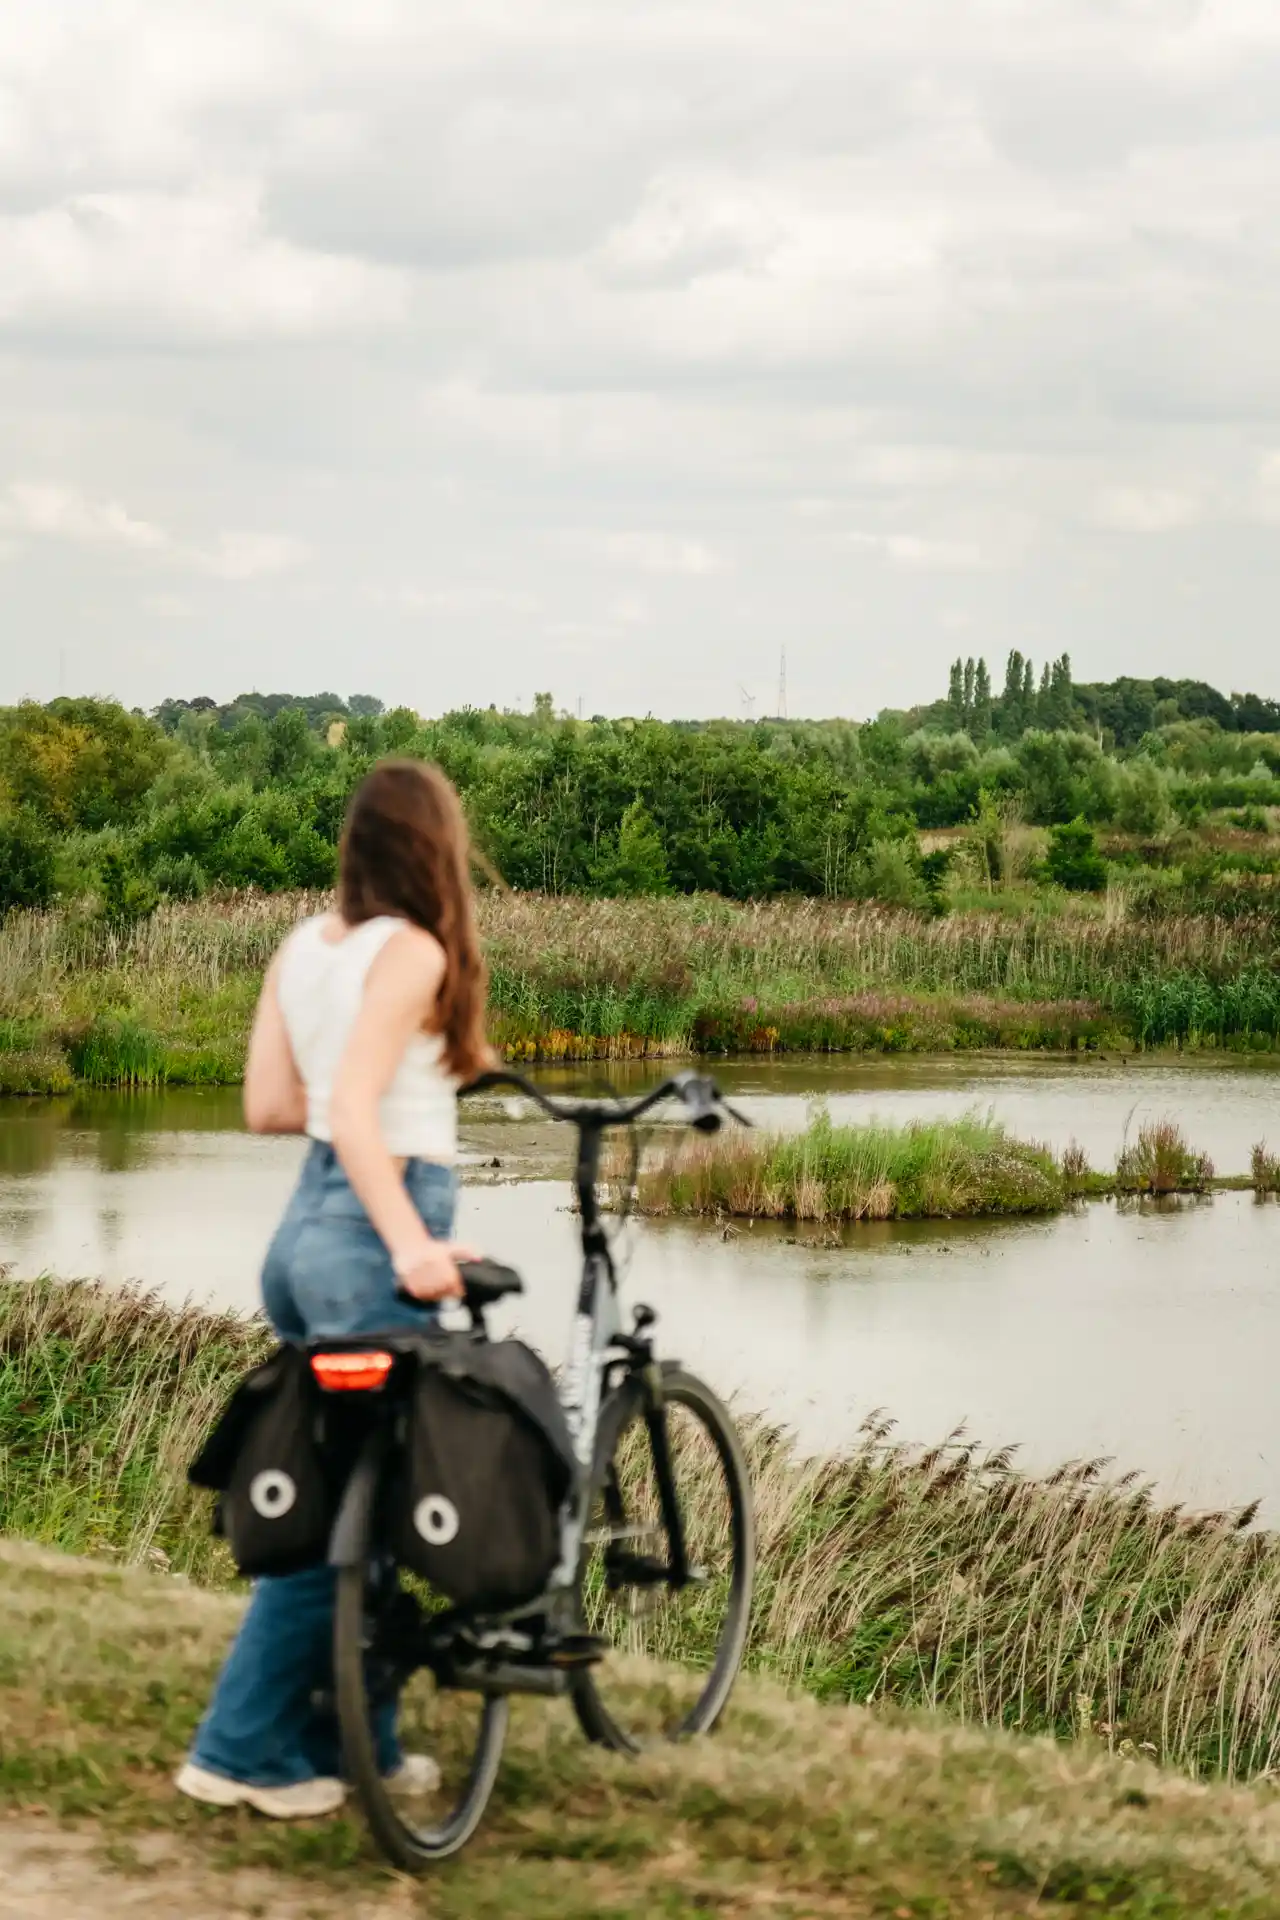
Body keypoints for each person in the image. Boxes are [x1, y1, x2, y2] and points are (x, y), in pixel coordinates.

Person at [175, 759, 492, 1819]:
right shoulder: (410, 951)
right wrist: (409, 1246)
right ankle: (240, 1749)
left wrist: (358, 1091)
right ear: (433, 847)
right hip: (365, 1236)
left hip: (300, 1239)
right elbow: (354, 1116)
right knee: (334, 1519)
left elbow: (271, 1106)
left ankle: (360, 1737)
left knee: (367, 1497)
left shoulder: (304, 946)